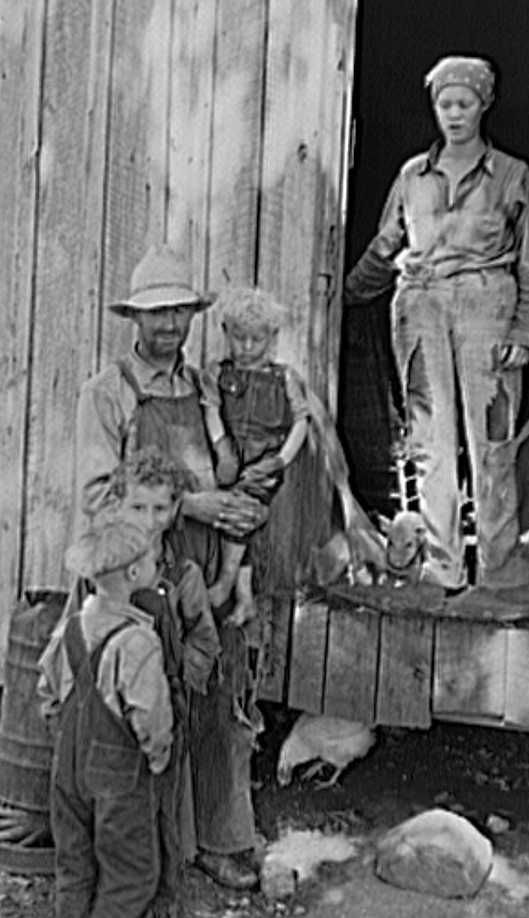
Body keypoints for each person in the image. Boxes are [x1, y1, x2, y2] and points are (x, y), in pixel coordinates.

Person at [74, 243, 263, 889]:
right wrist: (192, 507)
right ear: (134, 319)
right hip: (138, 575)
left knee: (217, 699)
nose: (170, 327)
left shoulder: (206, 388)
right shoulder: (108, 393)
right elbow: (100, 501)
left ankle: (220, 839)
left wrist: (239, 569)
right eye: (157, 315)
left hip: (205, 572)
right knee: (145, 713)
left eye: (180, 313)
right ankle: (142, 859)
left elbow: (241, 479)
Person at [344, 55, 529, 591]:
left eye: (465, 103)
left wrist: (527, 333)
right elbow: (387, 243)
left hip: (488, 309)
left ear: (485, 104)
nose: (454, 114)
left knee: (492, 439)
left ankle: (500, 567)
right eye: (444, 104)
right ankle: (442, 565)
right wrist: (345, 294)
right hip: (421, 307)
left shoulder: (512, 176)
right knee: (431, 442)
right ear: (434, 108)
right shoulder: (413, 175)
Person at [103, 448, 222, 917]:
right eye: (137, 507)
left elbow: (205, 642)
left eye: (159, 508)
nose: (149, 519)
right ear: (118, 508)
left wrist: (175, 691)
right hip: (107, 718)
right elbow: (77, 635)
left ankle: (164, 901)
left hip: (163, 718)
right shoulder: (101, 571)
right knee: (111, 817)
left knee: (161, 816)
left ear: (175, 511)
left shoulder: (183, 575)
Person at [38, 516, 173, 918]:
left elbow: (47, 694)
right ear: (134, 572)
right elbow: (150, 716)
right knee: (132, 876)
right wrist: (157, 757)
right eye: (153, 561)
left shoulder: (70, 629)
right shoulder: (137, 641)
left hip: (67, 771)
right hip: (117, 777)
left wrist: (65, 742)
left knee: (74, 869)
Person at [200, 285, 310, 621]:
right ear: (225, 333)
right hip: (231, 457)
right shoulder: (217, 373)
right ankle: (245, 597)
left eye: (256, 340)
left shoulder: (284, 378)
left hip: (264, 462)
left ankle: (224, 582)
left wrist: (280, 460)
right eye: (239, 338)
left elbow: (302, 422)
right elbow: (211, 410)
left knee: (242, 507)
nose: (247, 348)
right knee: (236, 519)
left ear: (272, 337)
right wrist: (221, 449)